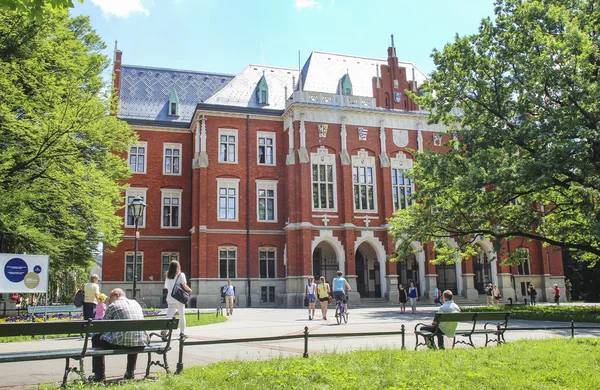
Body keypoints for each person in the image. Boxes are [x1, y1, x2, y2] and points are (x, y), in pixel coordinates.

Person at [91, 288, 148, 383]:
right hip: (141, 341)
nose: (109, 301)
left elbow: (102, 327)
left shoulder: (113, 305)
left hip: (122, 342)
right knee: (133, 336)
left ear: (117, 295)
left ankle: (99, 375)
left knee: (96, 338)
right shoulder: (136, 303)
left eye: (110, 297)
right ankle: (130, 372)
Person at [164, 260, 193, 338]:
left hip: (170, 298)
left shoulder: (168, 275)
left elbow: (166, 287)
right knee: (182, 315)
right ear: (178, 267)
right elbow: (184, 286)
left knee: (169, 316)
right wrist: (190, 290)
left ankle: (164, 331)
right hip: (179, 298)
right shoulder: (181, 275)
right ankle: (182, 332)